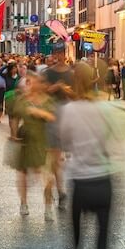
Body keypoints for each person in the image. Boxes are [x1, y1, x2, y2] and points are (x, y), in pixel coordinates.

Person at [59, 62, 125, 249]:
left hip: (80, 181)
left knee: (76, 244)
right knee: (103, 246)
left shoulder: (69, 110)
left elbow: (65, 143)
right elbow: (116, 140)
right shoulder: (106, 108)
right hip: (104, 180)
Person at [12, 72, 55, 219]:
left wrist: (38, 112)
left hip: (43, 141)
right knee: (22, 174)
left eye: (34, 82)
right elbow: (15, 117)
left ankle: (48, 207)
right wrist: (13, 136)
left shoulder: (47, 100)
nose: (31, 84)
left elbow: (52, 117)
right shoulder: (22, 100)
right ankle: (23, 203)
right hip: (25, 140)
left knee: (47, 176)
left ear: (41, 85)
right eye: (30, 82)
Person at [43, 42, 74, 210]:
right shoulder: (48, 72)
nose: (59, 55)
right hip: (53, 115)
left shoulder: (71, 73)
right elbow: (43, 91)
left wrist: (69, 92)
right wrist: (55, 87)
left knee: (68, 156)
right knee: (55, 156)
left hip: (69, 115)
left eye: (61, 52)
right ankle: (60, 189)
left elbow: (78, 94)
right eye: (56, 53)